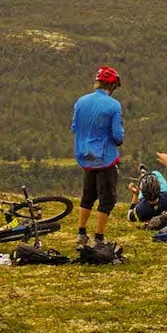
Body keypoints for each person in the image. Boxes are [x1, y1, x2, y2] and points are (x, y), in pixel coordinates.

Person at [71, 65, 124, 249]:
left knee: (88, 195)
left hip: (86, 156)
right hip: (105, 157)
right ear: (112, 86)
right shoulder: (114, 105)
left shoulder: (80, 101)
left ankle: (81, 233)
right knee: (106, 198)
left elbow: (74, 127)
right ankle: (99, 237)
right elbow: (117, 136)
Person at [127, 152, 167, 224]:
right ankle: (144, 175)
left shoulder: (140, 209)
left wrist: (135, 195)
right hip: (163, 195)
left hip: (143, 198)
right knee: (156, 173)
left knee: (145, 180)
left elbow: (129, 216)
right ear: (159, 188)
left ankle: (143, 175)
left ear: (143, 193)